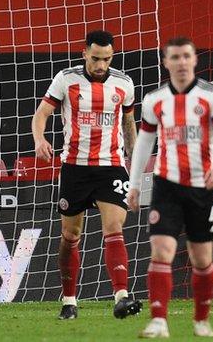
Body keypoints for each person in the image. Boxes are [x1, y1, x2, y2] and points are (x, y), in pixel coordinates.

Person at [128, 37, 213, 338]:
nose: (181, 62)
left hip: (202, 186)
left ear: (195, 59)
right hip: (166, 185)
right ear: (166, 62)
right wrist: (134, 185)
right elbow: (144, 143)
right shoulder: (154, 100)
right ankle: (158, 320)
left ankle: (201, 320)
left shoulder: (212, 96)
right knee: (161, 251)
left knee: (201, 258)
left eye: (186, 56)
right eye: (175, 57)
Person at [32, 30, 142, 319]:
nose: (100, 65)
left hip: (111, 166)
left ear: (112, 56)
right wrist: (39, 140)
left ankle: (121, 296)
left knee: (114, 229)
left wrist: (137, 163)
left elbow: (129, 125)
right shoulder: (66, 79)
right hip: (75, 168)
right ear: (84, 53)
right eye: (95, 58)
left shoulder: (124, 83)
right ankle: (69, 301)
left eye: (106, 59)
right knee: (70, 236)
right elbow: (41, 114)